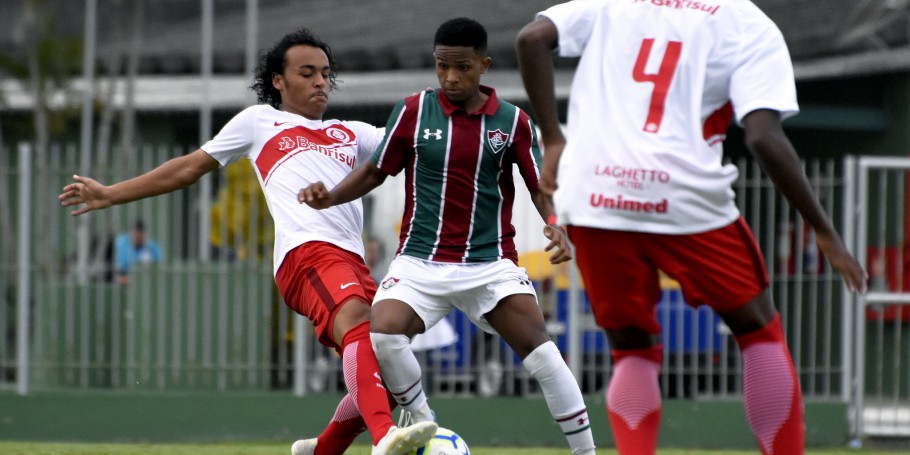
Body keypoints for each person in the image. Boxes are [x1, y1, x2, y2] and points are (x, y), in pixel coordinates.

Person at [58, 28, 437, 455]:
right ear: (279, 80)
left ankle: (323, 449)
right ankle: (386, 437)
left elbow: (418, 146)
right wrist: (111, 193)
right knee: (357, 322)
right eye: (307, 73)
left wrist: (447, 110)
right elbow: (188, 168)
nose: (320, 82)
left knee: (382, 367)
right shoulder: (260, 122)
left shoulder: (349, 132)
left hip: (350, 262)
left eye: (326, 74)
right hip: (305, 255)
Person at [515, 2, 869, 454]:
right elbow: (762, 135)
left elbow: (531, 38)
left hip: (594, 194)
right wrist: (824, 230)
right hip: (684, 196)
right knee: (758, 329)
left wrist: (556, 137)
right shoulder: (747, 23)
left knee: (632, 346)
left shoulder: (612, 5)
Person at [300, 17, 596, 455]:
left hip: (490, 264)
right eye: (442, 67)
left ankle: (586, 452)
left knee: (545, 356)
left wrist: (552, 221)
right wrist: (330, 198)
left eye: (462, 67)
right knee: (382, 334)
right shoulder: (414, 111)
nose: (451, 77)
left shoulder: (512, 122)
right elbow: (374, 171)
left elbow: (536, 185)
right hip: (420, 261)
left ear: (484, 65)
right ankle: (424, 426)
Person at [114, 219, 161, 284]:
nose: (138, 236)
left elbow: (160, 266)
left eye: (141, 233)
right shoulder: (121, 243)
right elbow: (119, 274)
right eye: (136, 232)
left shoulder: (152, 246)